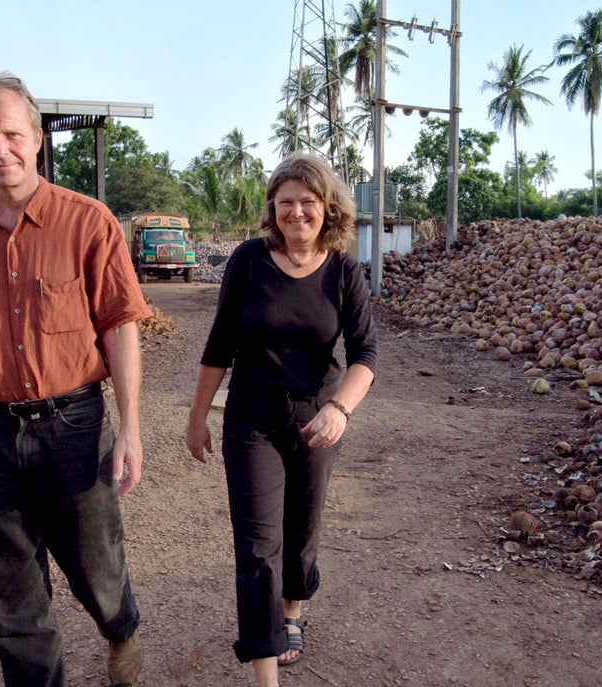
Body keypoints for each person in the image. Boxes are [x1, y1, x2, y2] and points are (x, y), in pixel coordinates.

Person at [0, 71, 149, 687]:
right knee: (13, 607)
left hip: (74, 427)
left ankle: (121, 629)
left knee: (96, 570)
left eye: (10, 133)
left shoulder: (89, 222)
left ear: (37, 138)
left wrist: (130, 428)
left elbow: (120, 326)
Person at [186, 152, 378, 687]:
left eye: (308, 202)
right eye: (286, 202)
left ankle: (293, 610)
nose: (297, 212)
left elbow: (365, 353)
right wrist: (198, 416)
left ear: (327, 207)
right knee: (256, 545)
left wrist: (340, 409)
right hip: (251, 417)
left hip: (317, 420)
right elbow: (220, 343)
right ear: (273, 206)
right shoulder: (248, 260)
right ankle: (265, 672)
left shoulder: (344, 269)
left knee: (302, 531)